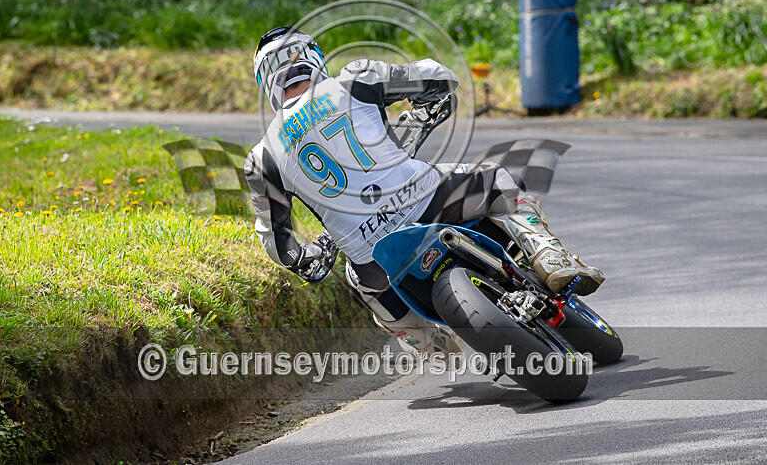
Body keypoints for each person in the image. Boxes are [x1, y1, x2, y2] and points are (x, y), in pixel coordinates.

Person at [244, 26, 604, 357]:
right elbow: (438, 77)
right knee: (496, 178)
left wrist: (304, 260)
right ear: (313, 58)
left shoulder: (262, 158)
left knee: (361, 282)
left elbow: (276, 242)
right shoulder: (354, 80)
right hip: (427, 203)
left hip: (373, 259)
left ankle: (427, 346)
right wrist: (425, 106)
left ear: (266, 82)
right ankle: (548, 254)